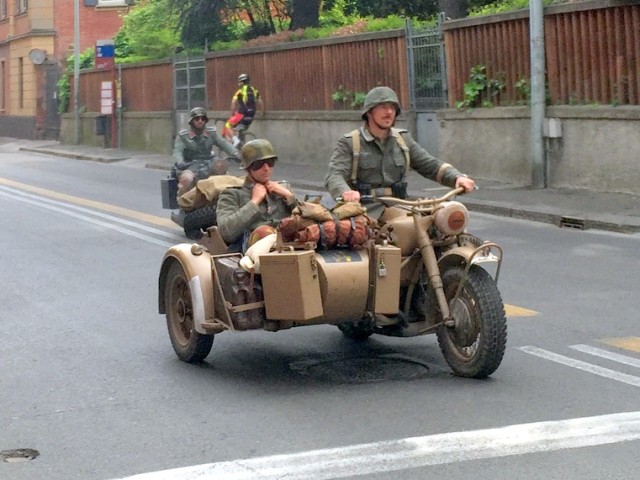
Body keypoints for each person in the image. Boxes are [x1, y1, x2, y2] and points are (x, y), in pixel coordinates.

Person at [325, 86, 475, 217]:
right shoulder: (350, 143)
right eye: (383, 107)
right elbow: (335, 175)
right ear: (369, 112)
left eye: (392, 107)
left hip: (400, 205)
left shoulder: (402, 140)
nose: (389, 112)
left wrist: (457, 178)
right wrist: (345, 192)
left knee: (439, 228)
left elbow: (430, 165)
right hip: (364, 210)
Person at [216, 139, 297, 252]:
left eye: (270, 162)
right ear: (247, 168)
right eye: (258, 165)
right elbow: (227, 231)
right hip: (251, 249)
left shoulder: (283, 189)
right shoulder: (232, 194)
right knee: (264, 232)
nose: (266, 169)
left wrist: (289, 197)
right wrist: (254, 202)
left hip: (289, 243)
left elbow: (305, 217)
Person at [172, 107, 240, 196]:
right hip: (189, 165)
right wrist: (179, 161)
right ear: (191, 121)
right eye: (197, 119)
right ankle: (184, 203)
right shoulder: (183, 136)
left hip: (209, 164)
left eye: (203, 118)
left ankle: (225, 200)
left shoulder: (211, 133)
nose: (200, 121)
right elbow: (178, 151)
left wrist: (236, 153)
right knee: (187, 179)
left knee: (226, 176)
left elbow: (223, 143)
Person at [222, 73, 265, 147]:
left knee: (228, 125)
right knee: (240, 130)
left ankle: (235, 141)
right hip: (251, 116)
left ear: (242, 82)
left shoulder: (240, 91)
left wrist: (232, 114)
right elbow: (260, 101)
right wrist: (262, 113)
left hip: (241, 115)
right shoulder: (254, 90)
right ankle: (241, 144)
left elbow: (233, 103)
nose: (239, 83)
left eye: (239, 81)